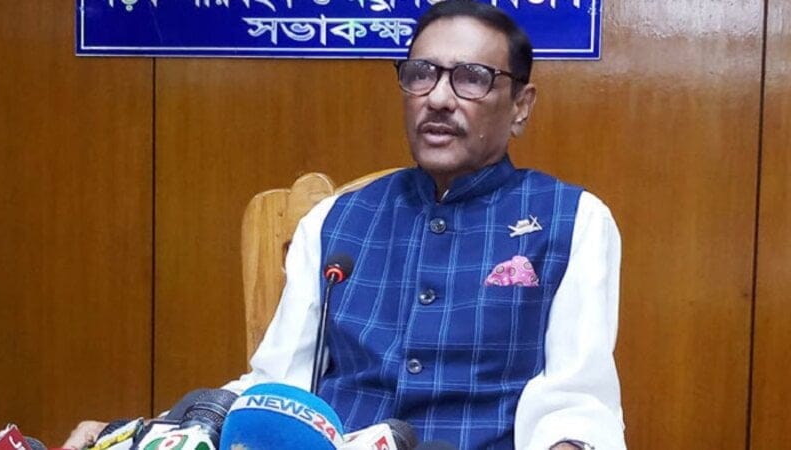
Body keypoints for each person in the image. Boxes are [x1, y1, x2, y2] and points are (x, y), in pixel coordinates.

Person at [65, 1, 625, 449]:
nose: (438, 98)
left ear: (521, 105)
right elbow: (277, 384)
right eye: (421, 74)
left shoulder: (573, 220)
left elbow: (576, 401)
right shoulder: (336, 220)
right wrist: (138, 432)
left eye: (471, 79)